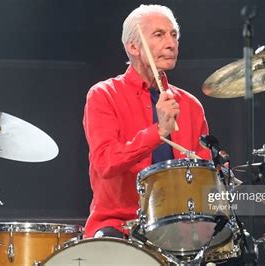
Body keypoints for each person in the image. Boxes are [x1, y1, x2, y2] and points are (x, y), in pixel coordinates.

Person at [82, 4, 211, 239]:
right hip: (121, 225)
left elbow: (204, 174)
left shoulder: (191, 106)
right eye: (159, 35)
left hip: (181, 228)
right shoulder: (103, 95)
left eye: (174, 35)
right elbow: (105, 162)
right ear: (133, 46)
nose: (171, 44)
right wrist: (158, 131)